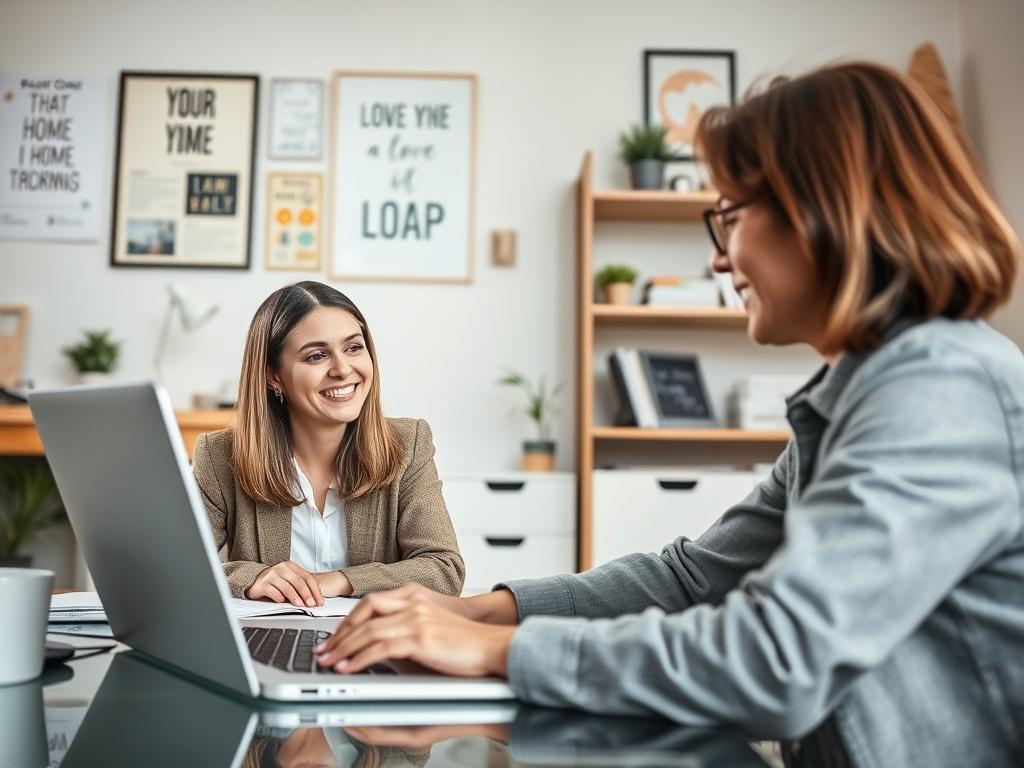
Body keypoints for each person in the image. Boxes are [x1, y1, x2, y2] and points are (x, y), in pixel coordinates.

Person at [314, 62, 1024, 767]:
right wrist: (472, 612)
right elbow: (691, 580)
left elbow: (776, 659)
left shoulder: (939, 387)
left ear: (825, 209)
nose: (720, 261)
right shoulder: (858, 392)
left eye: (730, 217)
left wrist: (494, 649)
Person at [193, 281, 464, 606]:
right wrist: (251, 578)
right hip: (265, 643)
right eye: (317, 356)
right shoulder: (220, 456)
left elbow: (443, 570)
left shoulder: (409, 444)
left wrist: (339, 581)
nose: (343, 369)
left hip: (373, 645)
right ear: (274, 377)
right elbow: (177, 566)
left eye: (353, 348)